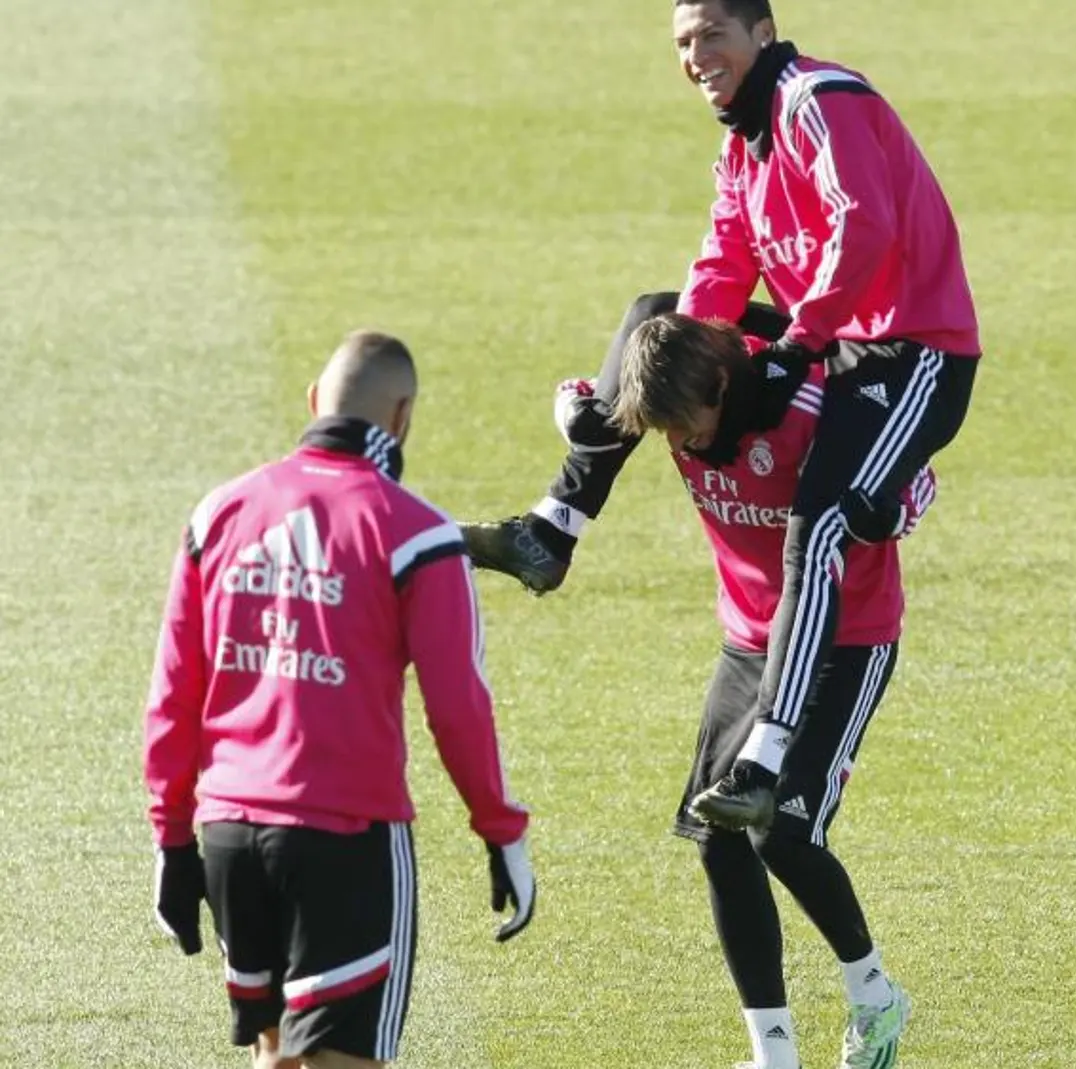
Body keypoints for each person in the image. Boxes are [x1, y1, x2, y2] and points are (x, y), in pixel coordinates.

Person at [462, 0, 981, 834]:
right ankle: (553, 527)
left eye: (713, 36)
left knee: (818, 529)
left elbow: (867, 226)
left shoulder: (820, 101)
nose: (696, 55)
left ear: (762, 36)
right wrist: (678, 353)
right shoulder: (742, 144)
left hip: (908, 352)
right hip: (829, 333)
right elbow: (726, 259)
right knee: (652, 317)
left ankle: (768, 752)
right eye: (683, 42)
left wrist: (799, 343)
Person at [143, 331, 537, 1069]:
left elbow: (172, 692)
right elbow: (457, 705)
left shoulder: (219, 512)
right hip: (345, 838)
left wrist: (170, 838)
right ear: (403, 417)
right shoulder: (418, 533)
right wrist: (500, 829)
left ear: (314, 402)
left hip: (229, 832)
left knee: (277, 1055)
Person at [609, 312, 931, 1069]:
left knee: (779, 829)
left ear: (724, 385)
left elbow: (916, 475)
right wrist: (574, 415)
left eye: (690, 427)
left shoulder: (815, 408)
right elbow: (589, 408)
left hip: (843, 640)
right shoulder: (669, 403)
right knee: (717, 835)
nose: (683, 447)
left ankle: (876, 996)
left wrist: (889, 510)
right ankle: (773, 1053)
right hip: (750, 641)